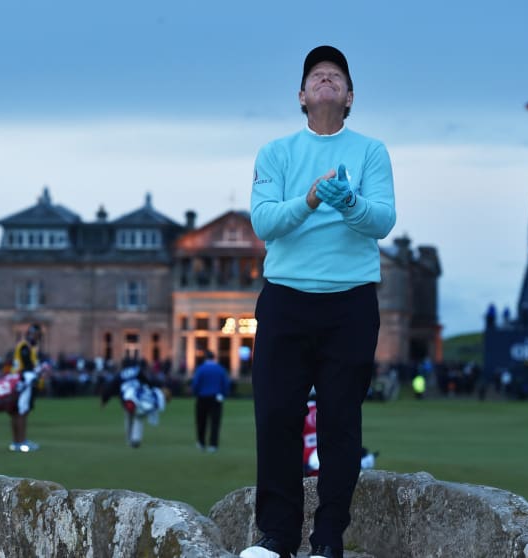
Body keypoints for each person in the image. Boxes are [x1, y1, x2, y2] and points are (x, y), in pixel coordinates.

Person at [242, 45, 396, 558]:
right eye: (316, 75)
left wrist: (349, 202)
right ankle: (277, 537)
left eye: (336, 76)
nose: (326, 79)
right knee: (277, 418)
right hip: (286, 299)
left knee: (340, 423)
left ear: (349, 97)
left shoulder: (371, 151)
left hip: (350, 303)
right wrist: (310, 200)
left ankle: (328, 538)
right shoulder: (276, 152)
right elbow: (264, 222)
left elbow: (382, 220)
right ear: (302, 96)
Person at [100, 358, 168, 448]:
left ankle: (129, 439)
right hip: (138, 397)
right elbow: (148, 382)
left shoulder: (120, 375)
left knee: (129, 418)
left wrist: (104, 400)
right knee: (138, 417)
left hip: (127, 399)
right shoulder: (137, 371)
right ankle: (136, 439)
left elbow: (110, 389)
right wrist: (157, 389)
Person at [6, 324, 44, 452]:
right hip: (22, 381)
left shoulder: (28, 346)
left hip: (19, 380)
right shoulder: (25, 346)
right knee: (22, 411)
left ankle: (17, 442)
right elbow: (28, 366)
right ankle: (21, 442)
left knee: (16, 412)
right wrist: (41, 370)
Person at [191, 349, 231, 452]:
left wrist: (195, 393)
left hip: (202, 397)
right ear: (214, 358)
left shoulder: (201, 369)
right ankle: (213, 445)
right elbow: (225, 384)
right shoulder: (220, 369)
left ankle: (201, 442)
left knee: (201, 421)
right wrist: (223, 394)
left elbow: (196, 383)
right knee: (215, 422)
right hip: (216, 398)